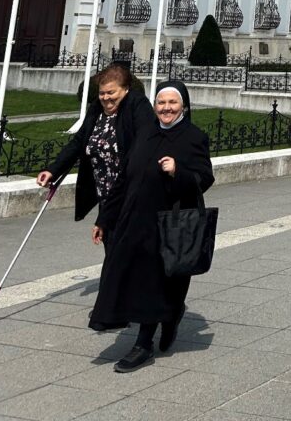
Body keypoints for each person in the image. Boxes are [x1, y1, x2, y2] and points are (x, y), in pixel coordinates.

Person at [89, 81, 215, 372]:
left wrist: (178, 172)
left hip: (168, 224)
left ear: (183, 105)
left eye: (172, 103)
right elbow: (123, 178)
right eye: (161, 103)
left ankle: (143, 344)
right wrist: (104, 218)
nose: (166, 108)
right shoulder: (145, 132)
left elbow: (204, 178)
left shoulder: (193, 137)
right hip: (135, 220)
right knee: (129, 275)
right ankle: (168, 315)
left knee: (152, 282)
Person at [37, 65, 155, 234]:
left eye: (111, 92)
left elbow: (142, 145)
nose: (106, 98)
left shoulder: (137, 104)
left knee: (125, 254)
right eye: (102, 93)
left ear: (126, 89)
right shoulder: (97, 109)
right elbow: (79, 142)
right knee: (113, 249)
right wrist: (53, 170)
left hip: (131, 194)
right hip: (106, 196)